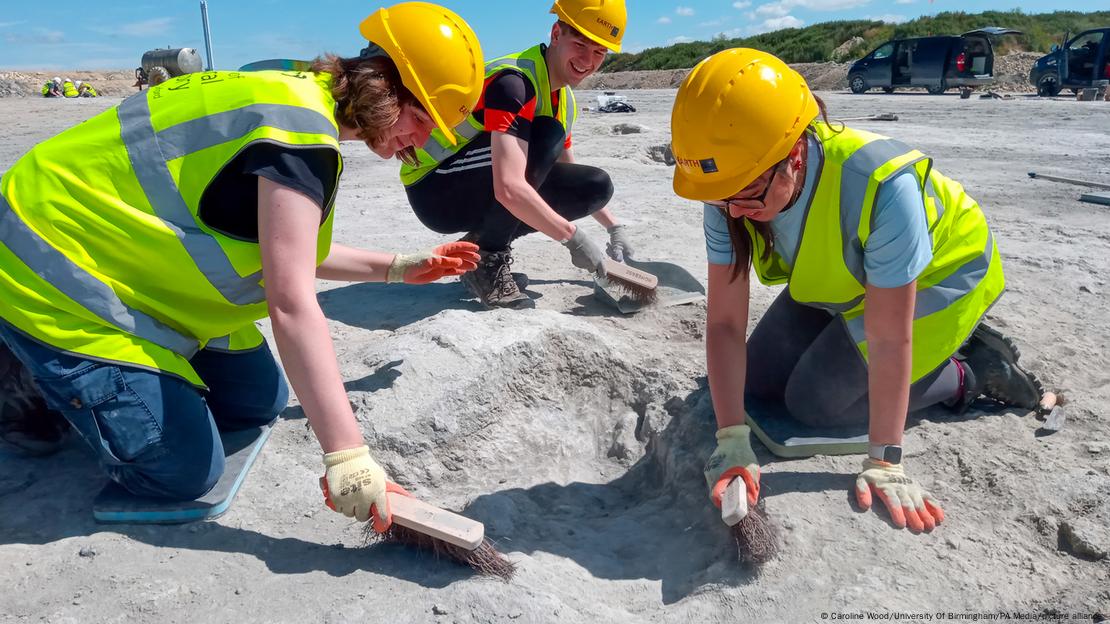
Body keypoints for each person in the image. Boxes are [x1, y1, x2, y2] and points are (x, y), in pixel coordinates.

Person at [0, 2, 484, 532]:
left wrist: (398, 267)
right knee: (182, 471)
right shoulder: (299, 135)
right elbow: (291, 302)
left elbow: (291, 252)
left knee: (259, 400)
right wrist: (347, 455)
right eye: (420, 120)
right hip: (46, 266)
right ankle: (21, 372)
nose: (421, 142)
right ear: (386, 85)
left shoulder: (296, 95)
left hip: (131, 270)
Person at [670, 49, 1044, 533]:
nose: (733, 212)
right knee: (755, 383)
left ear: (795, 156)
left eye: (746, 196)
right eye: (722, 197)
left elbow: (889, 337)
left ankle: (969, 370)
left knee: (814, 401)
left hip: (940, 273)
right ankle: (869, 343)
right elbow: (724, 323)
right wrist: (731, 439)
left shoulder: (882, 186)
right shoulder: (727, 187)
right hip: (851, 275)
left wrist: (885, 460)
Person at [400, 0, 634, 308]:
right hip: (435, 188)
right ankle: (488, 259)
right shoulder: (514, 82)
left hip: (471, 182)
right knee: (545, 135)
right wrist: (574, 239)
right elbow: (509, 186)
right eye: (580, 44)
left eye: (599, 52)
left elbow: (567, 173)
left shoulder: (564, 101)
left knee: (595, 185)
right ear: (555, 33)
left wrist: (612, 227)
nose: (587, 60)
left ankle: (478, 248)